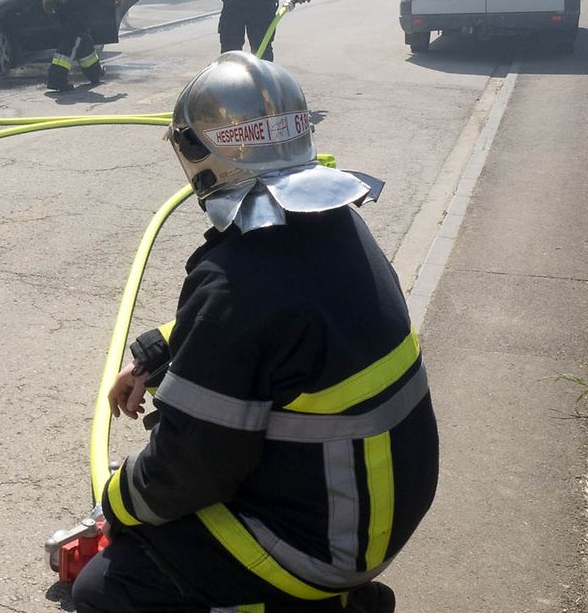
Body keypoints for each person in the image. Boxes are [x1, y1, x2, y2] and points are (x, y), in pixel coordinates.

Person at [71, 52, 440, 613]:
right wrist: (155, 354)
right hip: (375, 507)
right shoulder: (336, 224)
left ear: (198, 154)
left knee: (106, 589)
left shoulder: (236, 280)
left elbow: (191, 467)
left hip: (325, 546)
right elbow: (258, 334)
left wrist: (116, 505)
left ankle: (325, 603)